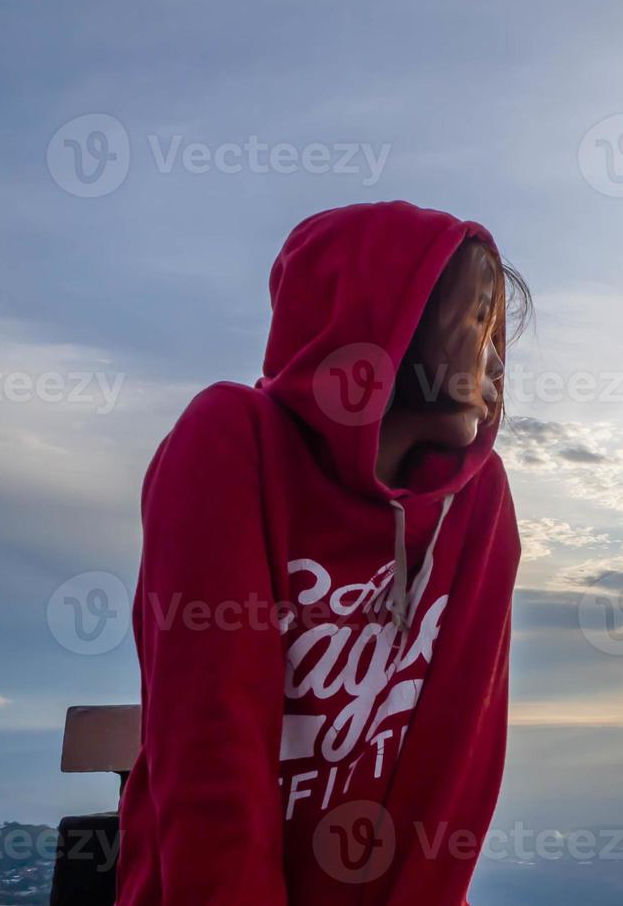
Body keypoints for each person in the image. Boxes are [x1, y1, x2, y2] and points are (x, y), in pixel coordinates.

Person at [115, 201, 529, 905]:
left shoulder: (478, 503)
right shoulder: (229, 442)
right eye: (476, 321)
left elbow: (455, 771)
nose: (495, 362)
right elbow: (212, 747)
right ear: (387, 318)